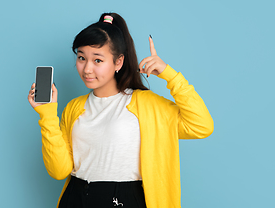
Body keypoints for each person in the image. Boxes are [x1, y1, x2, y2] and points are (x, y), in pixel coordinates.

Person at [27, 13, 213, 208]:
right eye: (81, 58)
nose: (87, 69)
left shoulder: (145, 104)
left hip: (123, 199)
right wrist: (47, 114)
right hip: (76, 197)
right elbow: (59, 171)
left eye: (97, 60)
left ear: (118, 62)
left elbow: (201, 126)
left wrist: (169, 74)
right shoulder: (74, 107)